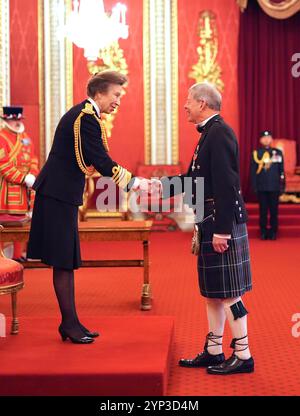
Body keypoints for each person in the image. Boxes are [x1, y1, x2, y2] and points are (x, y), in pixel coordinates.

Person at [27, 71, 145, 344]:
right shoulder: (85, 118)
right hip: (57, 194)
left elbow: (94, 159)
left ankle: (71, 322)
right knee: (63, 260)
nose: (118, 102)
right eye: (116, 95)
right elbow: (101, 160)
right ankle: (69, 324)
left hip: (61, 193)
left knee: (65, 260)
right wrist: (133, 182)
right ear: (100, 93)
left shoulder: (87, 116)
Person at [156, 82, 254, 375]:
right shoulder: (209, 133)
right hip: (209, 219)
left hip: (220, 222)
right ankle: (214, 350)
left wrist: (223, 230)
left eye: (188, 101)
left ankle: (243, 354)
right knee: (213, 292)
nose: (184, 105)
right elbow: (195, 179)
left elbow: (226, 184)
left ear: (202, 103)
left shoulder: (219, 132)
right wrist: (156, 186)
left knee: (230, 292)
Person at [0, 106, 39, 259]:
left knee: (22, 223)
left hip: (26, 189)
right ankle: (3, 258)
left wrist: (33, 174)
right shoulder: (1, 138)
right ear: (6, 120)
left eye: (18, 119)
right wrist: (23, 178)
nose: (17, 122)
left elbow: (34, 158)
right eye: (13, 119)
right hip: (6, 190)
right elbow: (3, 165)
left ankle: (17, 255)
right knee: (5, 224)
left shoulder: (25, 137)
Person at [251, 130, 285, 240]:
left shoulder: (277, 153)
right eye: (264, 138)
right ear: (261, 140)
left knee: (274, 211)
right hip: (262, 187)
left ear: (271, 139)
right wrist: (255, 186)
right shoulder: (256, 153)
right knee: (263, 211)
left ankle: (274, 231)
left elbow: (281, 171)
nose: (266, 139)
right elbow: (253, 171)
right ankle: (263, 231)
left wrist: (282, 185)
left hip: (274, 186)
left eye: (269, 137)